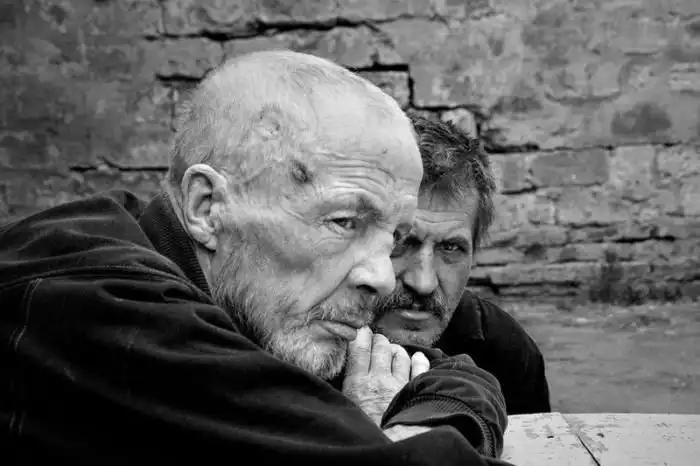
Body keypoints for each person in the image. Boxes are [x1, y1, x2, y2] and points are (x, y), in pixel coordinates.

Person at [0, 51, 515, 465]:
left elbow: (458, 376)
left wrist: (404, 429)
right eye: (344, 222)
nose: (384, 277)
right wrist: (377, 435)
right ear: (207, 207)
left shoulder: (260, 297)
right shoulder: (99, 302)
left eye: (390, 238)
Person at [371, 113, 551, 415]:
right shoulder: (300, 343)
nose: (423, 282)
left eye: (451, 248)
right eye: (401, 243)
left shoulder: (506, 352)